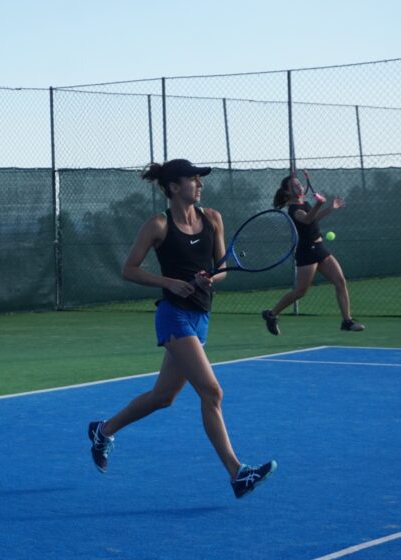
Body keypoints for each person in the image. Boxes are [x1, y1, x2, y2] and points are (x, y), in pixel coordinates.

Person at [87, 159, 277, 500]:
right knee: (212, 392)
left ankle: (104, 430)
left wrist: (208, 277)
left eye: (199, 179)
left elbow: (222, 270)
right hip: (173, 316)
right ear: (174, 186)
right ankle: (237, 473)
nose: (199, 184)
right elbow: (128, 270)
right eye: (193, 179)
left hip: (200, 316)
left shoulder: (213, 219)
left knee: (163, 397)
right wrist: (169, 283)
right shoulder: (157, 225)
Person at [261, 173, 364, 335]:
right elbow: (307, 219)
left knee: (340, 281)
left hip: (320, 248)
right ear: (288, 192)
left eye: (299, 183)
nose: (300, 186)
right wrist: (318, 204)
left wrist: (331, 207)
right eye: (294, 185)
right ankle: (271, 314)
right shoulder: (294, 210)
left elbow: (314, 218)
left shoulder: (306, 203)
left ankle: (347, 321)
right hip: (307, 252)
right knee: (300, 292)